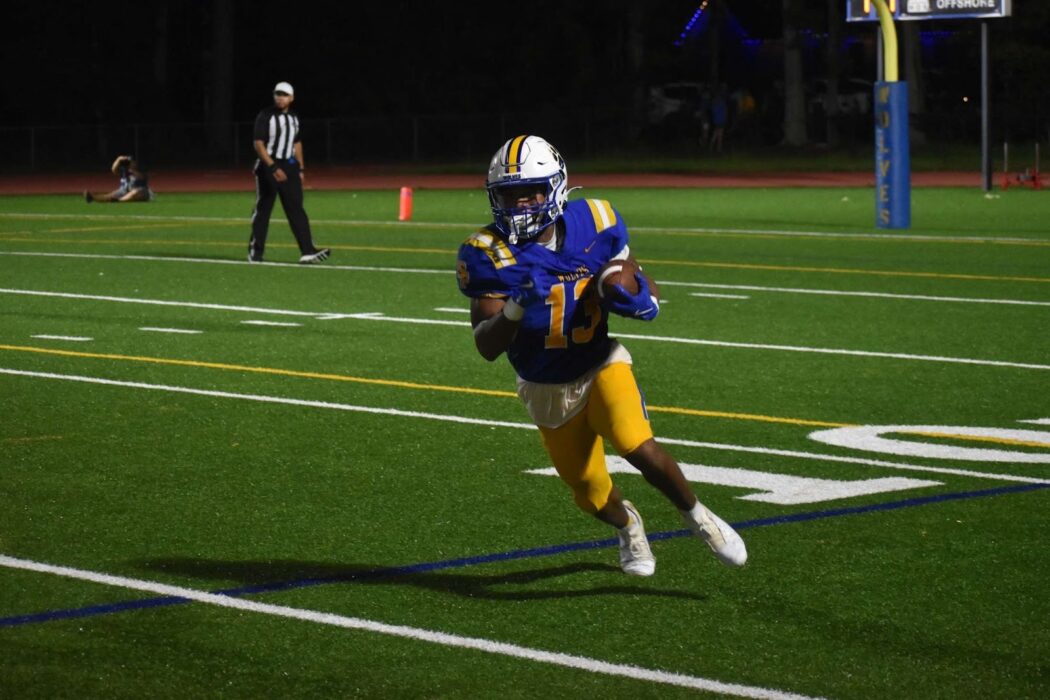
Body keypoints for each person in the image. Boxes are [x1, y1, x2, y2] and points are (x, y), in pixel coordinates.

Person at [456, 135, 747, 577]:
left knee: (637, 444)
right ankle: (629, 524)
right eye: (509, 195)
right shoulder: (487, 253)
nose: (519, 204)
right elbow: (486, 346)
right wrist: (516, 308)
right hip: (544, 384)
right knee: (590, 492)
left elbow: (630, 276)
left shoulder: (597, 219)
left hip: (600, 362)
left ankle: (700, 518)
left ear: (555, 188)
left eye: (530, 191)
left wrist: (643, 298)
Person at [248, 81, 330, 264]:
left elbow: (297, 143)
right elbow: (259, 144)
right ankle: (256, 252)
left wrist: (300, 168)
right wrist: (272, 167)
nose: (279, 97)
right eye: (277, 94)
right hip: (268, 166)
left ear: (291, 98)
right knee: (264, 209)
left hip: (289, 166)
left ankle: (307, 250)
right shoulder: (265, 116)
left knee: (296, 210)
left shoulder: (294, 117)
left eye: (284, 94)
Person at [84, 155, 154, 203]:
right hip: (123, 191)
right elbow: (113, 169)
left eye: (132, 162)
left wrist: (132, 171)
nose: (130, 163)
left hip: (141, 191)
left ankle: (120, 201)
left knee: (135, 192)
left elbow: (142, 177)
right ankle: (92, 198)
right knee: (110, 195)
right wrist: (118, 159)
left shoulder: (140, 169)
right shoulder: (124, 170)